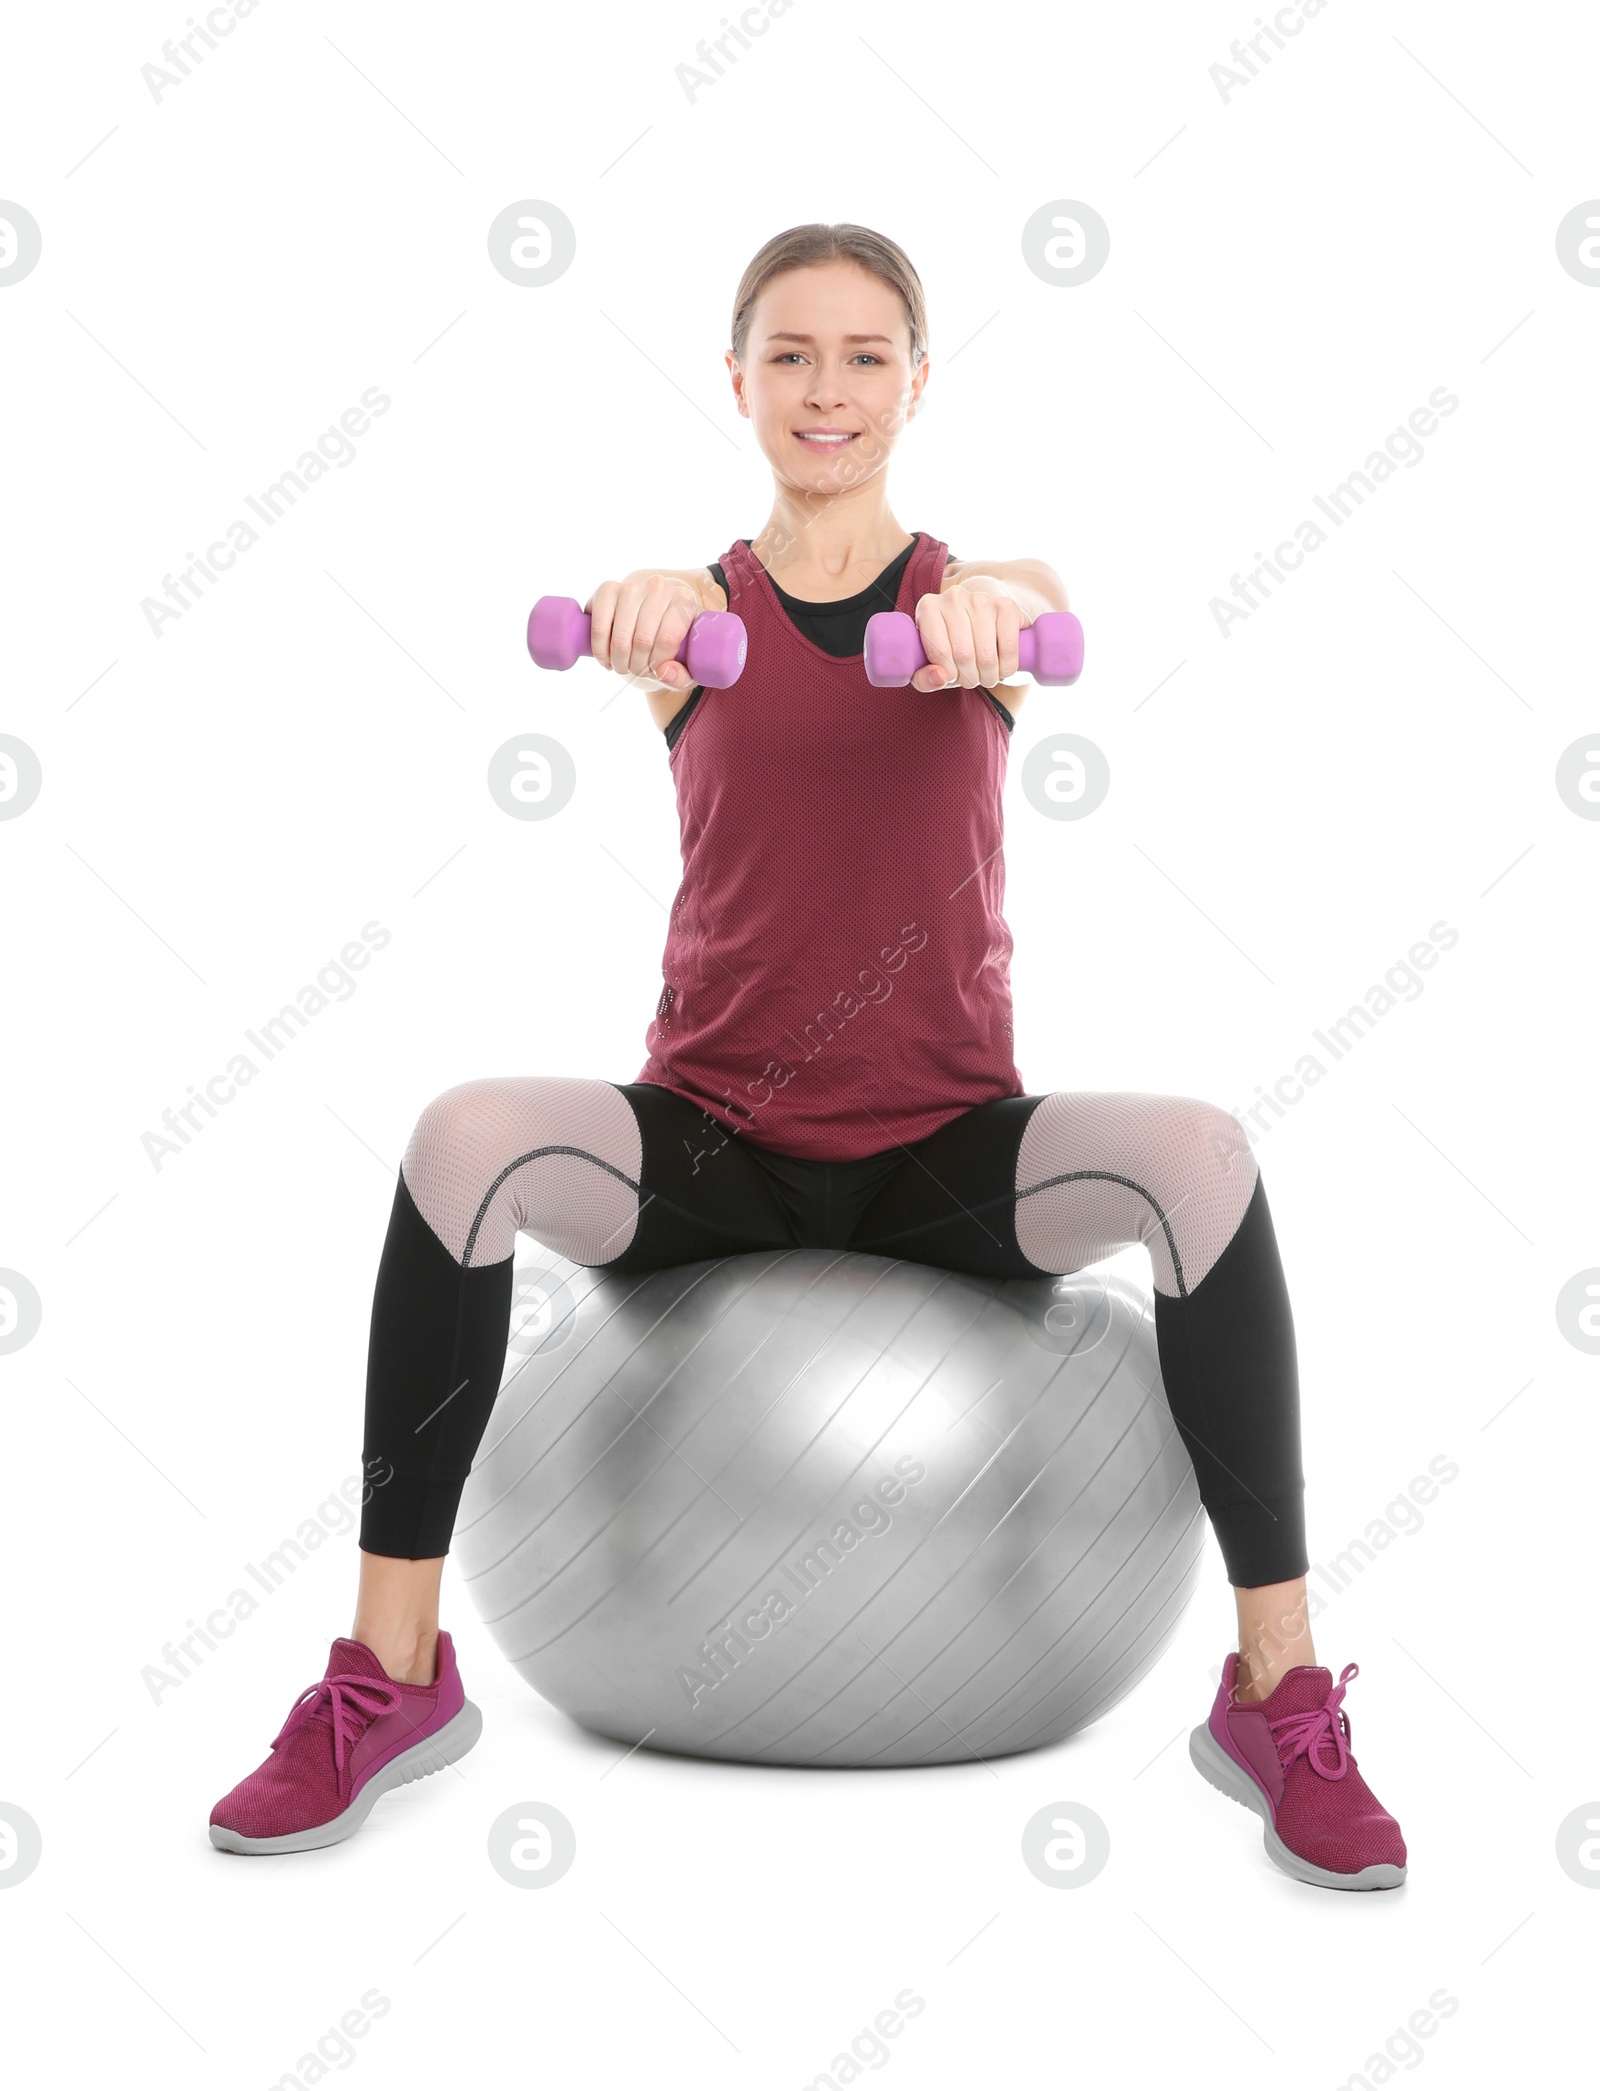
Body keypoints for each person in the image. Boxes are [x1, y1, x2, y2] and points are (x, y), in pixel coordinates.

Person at [210, 222, 1405, 1889]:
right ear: (738, 379)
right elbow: (666, 607)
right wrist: (640, 609)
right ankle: (392, 1672)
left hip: (940, 1163)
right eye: (791, 355)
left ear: (918, 383)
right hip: (713, 1150)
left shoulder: (981, 608)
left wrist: (997, 610)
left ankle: (1275, 1692)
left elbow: (1044, 602)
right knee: (460, 1137)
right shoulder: (698, 615)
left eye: (863, 357)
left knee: (1201, 1158)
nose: (826, 388)